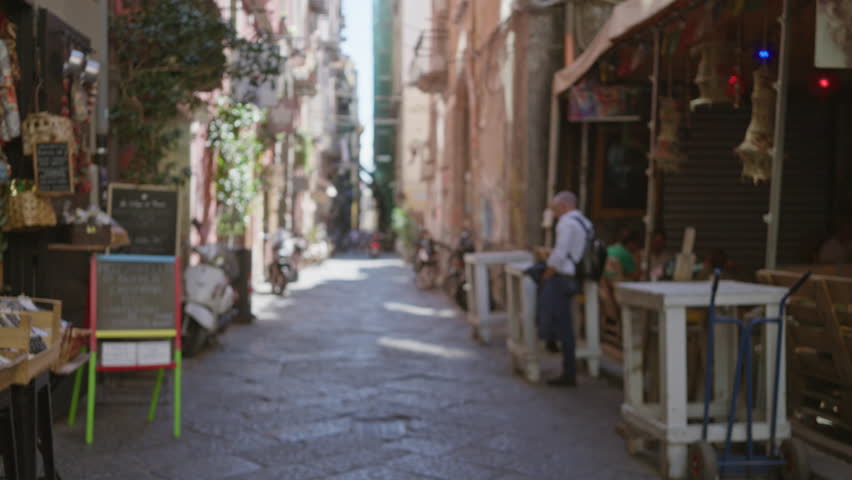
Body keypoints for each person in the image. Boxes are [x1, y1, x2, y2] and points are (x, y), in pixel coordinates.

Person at [539, 191, 592, 387]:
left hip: (563, 277)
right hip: (575, 277)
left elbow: (560, 254)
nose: (554, 213)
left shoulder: (566, 223)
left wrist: (548, 272)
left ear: (563, 206)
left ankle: (568, 372)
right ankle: (552, 342)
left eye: (555, 209)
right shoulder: (585, 223)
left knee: (564, 325)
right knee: (564, 322)